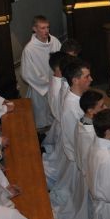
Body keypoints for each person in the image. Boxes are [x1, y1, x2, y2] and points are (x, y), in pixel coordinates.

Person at [48, 59, 93, 219]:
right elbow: (73, 138)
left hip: (82, 156)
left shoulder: (78, 100)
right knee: (80, 197)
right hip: (79, 159)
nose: (91, 79)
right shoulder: (70, 107)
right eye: (86, 76)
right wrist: (88, 161)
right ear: (75, 80)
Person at [20, 15, 62, 130]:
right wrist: (47, 83)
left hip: (56, 83)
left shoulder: (54, 41)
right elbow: (26, 73)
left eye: (48, 27)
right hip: (39, 89)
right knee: (42, 119)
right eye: (42, 28)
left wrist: (56, 81)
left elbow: (62, 60)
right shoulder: (29, 49)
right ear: (34, 29)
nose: (46, 31)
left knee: (57, 117)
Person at [41, 51, 69, 181]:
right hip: (63, 124)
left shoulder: (56, 79)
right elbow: (62, 110)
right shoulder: (60, 86)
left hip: (60, 123)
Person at [74, 89, 106, 188]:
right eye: (101, 106)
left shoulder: (83, 120)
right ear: (90, 110)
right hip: (92, 171)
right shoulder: (90, 133)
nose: (105, 108)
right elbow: (91, 157)